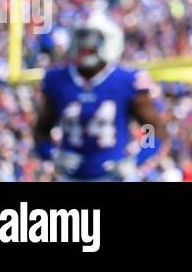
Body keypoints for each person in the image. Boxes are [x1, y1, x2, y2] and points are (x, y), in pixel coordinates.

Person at [34, 13, 166, 181]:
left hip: (114, 177)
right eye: (82, 37)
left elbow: (152, 130)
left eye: (92, 39)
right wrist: (52, 154)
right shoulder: (57, 80)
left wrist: (136, 160)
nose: (85, 45)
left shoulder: (126, 81)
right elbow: (41, 132)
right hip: (70, 177)